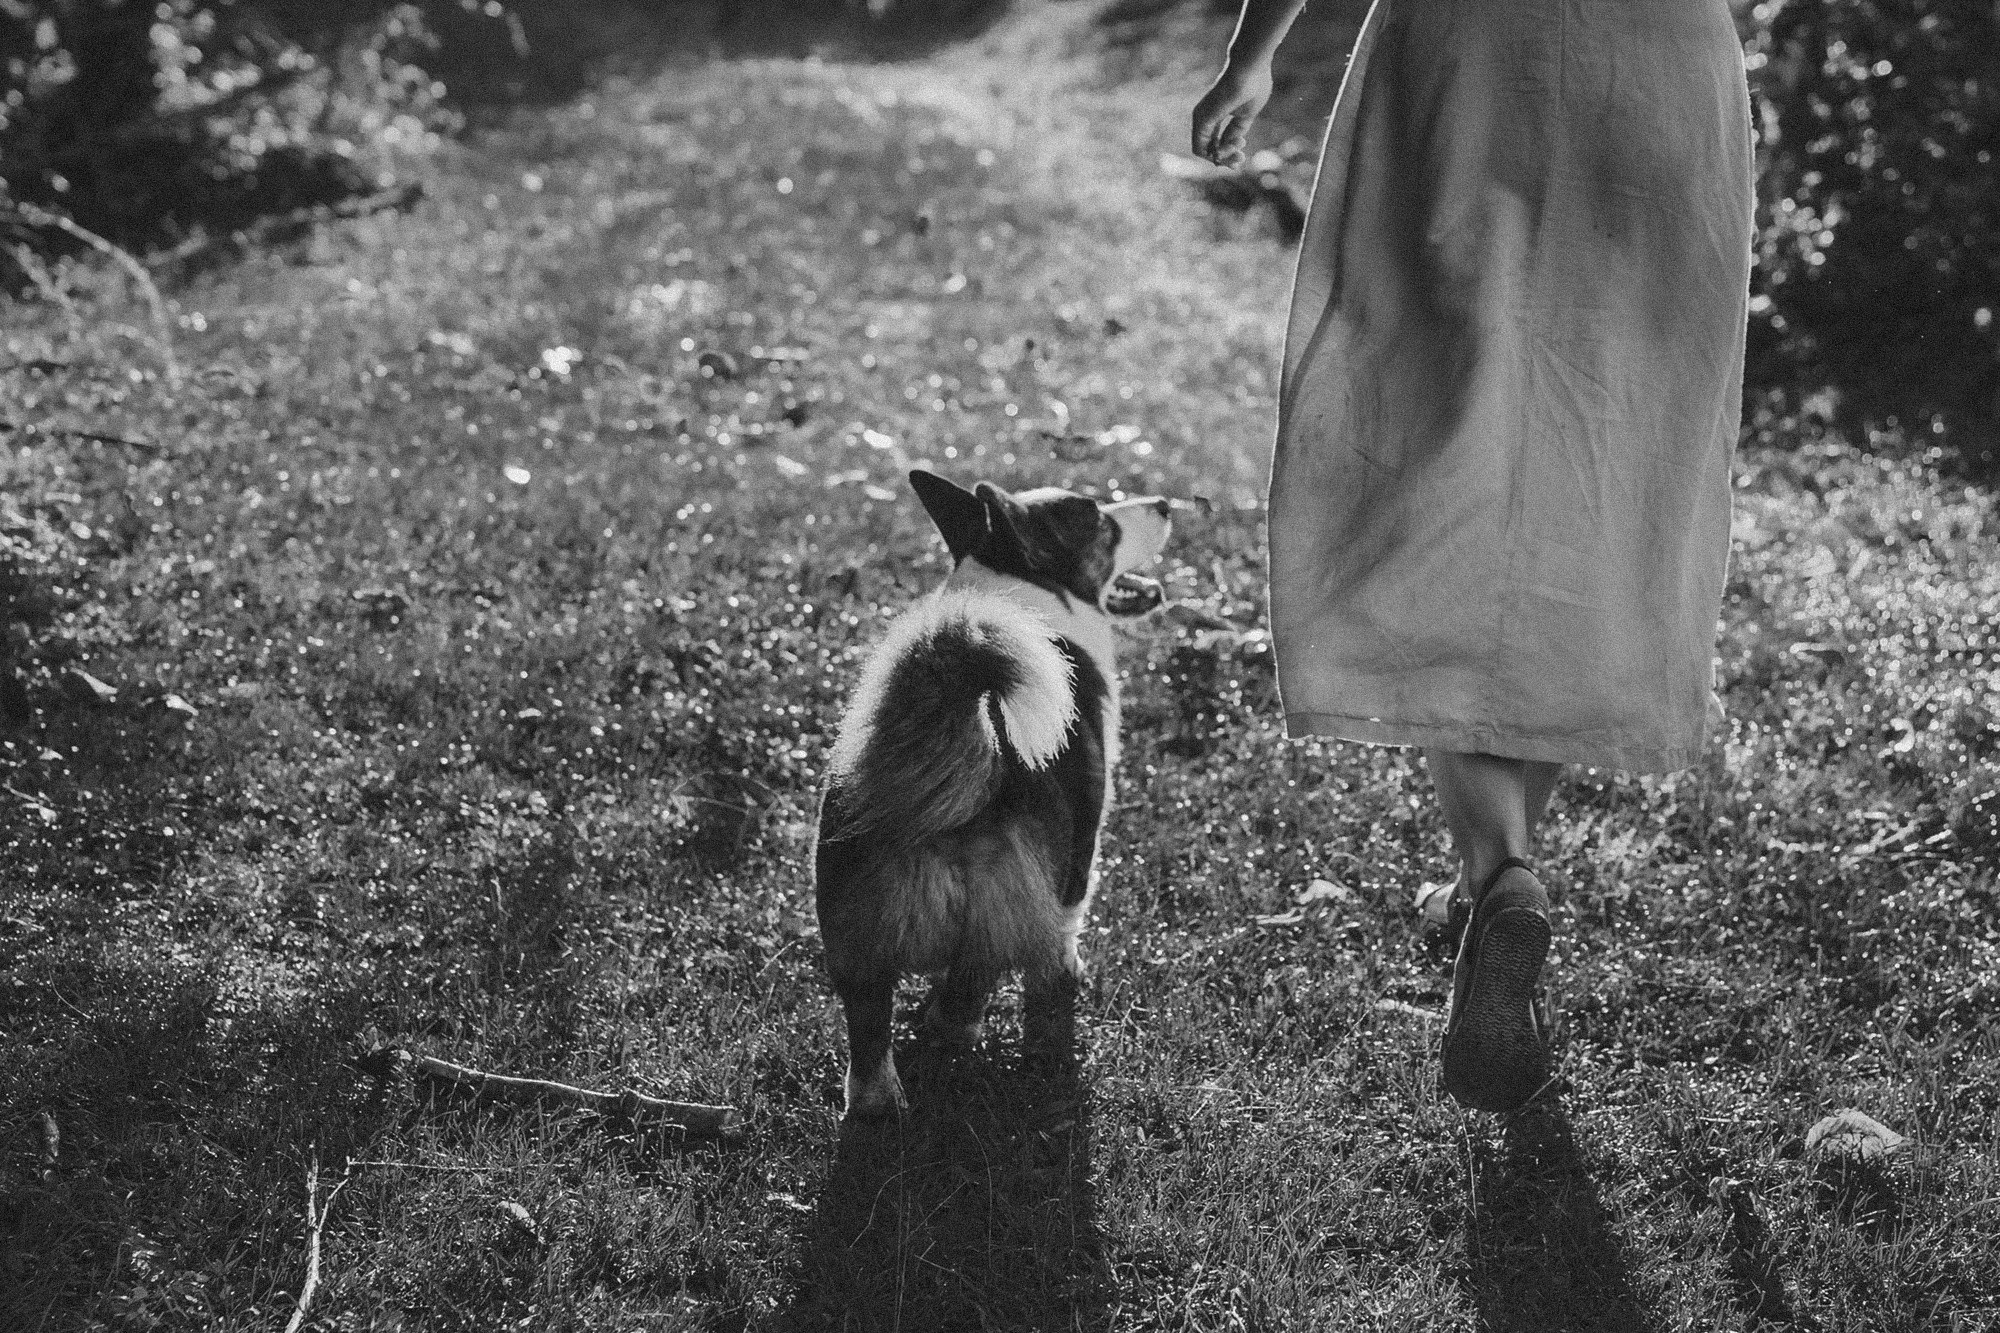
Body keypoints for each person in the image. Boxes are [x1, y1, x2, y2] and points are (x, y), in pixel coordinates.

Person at [1193, 0, 1754, 1111]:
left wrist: (1248, 57)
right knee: (1596, 470)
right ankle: (1498, 878)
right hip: (1661, 70)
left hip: (1466, 57)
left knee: (1436, 442)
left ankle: (1497, 868)